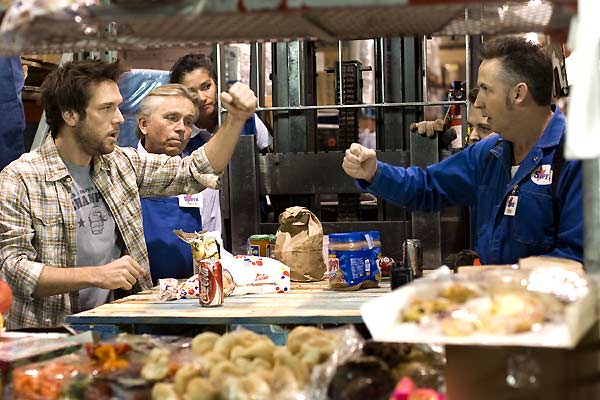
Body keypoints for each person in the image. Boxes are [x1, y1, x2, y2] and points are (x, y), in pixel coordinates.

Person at [0, 60, 257, 329]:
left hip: (113, 329)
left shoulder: (120, 165)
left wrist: (236, 119)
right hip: (50, 337)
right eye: (106, 108)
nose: (120, 118)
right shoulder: (20, 179)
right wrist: (96, 275)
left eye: (118, 107)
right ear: (71, 115)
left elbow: (194, 171)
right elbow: (13, 269)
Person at [342, 36, 583, 265]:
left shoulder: (575, 159)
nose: (478, 103)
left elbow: (577, 257)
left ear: (518, 94)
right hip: (494, 301)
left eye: (486, 90)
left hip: (546, 305)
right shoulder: (490, 153)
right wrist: (373, 172)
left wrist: (508, 280)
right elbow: (427, 187)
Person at [136, 84, 210, 284]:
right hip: (137, 295)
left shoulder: (200, 177)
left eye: (188, 122)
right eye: (171, 118)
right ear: (143, 124)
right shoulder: (123, 172)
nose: (181, 129)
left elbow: (211, 236)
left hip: (191, 294)